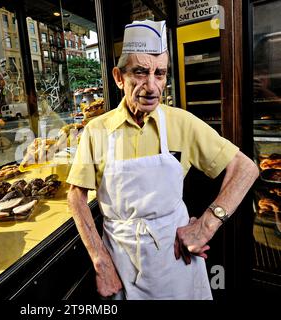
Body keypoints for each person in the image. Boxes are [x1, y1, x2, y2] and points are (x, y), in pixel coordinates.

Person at [66, 20, 259, 300]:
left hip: (175, 260)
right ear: (119, 77)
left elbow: (245, 168)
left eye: (160, 74)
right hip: (121, 261)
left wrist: (206, 226)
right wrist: (101, 261)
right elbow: (76, 197)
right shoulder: (96, 131)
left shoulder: (181, 122)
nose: (152, 86)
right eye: (141, 73)